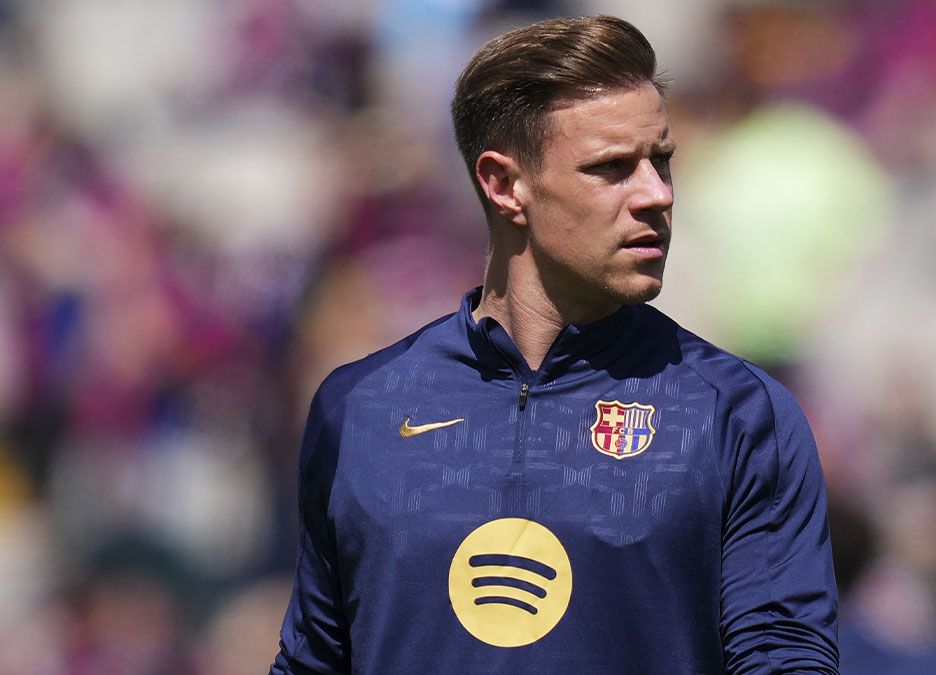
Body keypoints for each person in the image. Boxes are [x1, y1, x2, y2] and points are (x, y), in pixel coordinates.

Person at [271, 15, 838, 674]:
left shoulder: (737, 414)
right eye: (613, 168)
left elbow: (784, 659)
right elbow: (314, 660)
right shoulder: (361, 407)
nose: (657, 194)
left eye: (661, 161)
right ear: (505, 185)